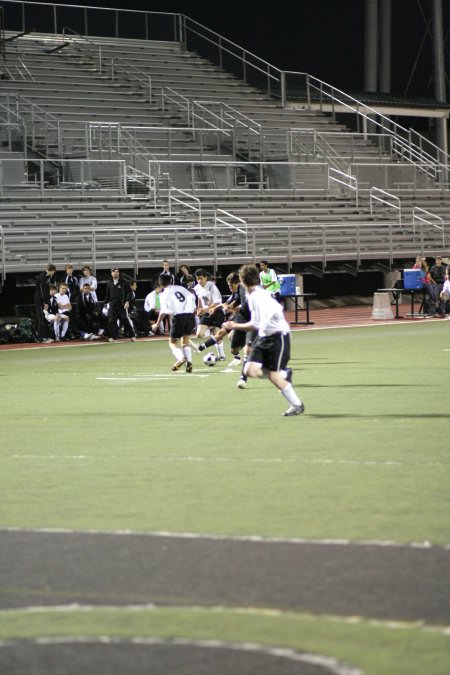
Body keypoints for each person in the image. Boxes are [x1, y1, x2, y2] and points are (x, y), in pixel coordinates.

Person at [223, 264, 305, 417]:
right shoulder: (255, 294)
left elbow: (256, 324)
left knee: (273, 376)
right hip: (265, 335)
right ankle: (283, 374)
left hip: (278, 335)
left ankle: (296, 404)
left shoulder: (258, 296)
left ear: (241, 280)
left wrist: (234, 325)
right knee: (249, 369)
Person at [197, 272, 246, 366]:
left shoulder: (243, 290)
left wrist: (232, 308)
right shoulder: (236, 292)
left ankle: (245, 351)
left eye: (231, 285)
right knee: (224, 334)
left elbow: (245, 306)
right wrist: (216, 308)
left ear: (237, 283)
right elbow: (228, 303)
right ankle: (200, 348)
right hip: (240, 317)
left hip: (248, 319)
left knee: (229, 336)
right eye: (228, 285)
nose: (230, 287)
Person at [151, 273, 197, 373]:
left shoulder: (164, 294)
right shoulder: (180, 288)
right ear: (171, 281)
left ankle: (181, 358)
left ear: (160, 283)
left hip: (179, 316)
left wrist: (157, 324)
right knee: (185, 341)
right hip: (190, 315)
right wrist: (193, 309)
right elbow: (191, 296)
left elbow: (163, 311)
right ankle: (189, 363)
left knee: (172, 342)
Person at [192, 268, 226, 360]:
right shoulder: (197, 288)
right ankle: (211, 334)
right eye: (197, 278)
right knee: (199, 334)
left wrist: (206, 308)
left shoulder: (212, 286)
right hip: (206, 313)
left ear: (206, 277)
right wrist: (199, 309)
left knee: (217, 335)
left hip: (217, 311)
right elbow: (199, 298)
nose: (199, 281)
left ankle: (222, 355)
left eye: (201, 278)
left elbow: (218, 302)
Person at [104, 267, 137, 342]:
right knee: (112, 321)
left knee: (125, 321)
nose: (115, 273)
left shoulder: (124, 282)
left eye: (117, 272)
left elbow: (129, 293)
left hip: (121, 306)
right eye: (113, 271)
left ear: (119, 273)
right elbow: (107, 294)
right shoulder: (109, 283)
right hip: (112, 305)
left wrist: (127, 301)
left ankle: (132, 335)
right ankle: (114, 337)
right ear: (111, 273)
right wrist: (105, 303)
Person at [34, 263, 56, 342]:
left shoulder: (47, 277)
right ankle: (40, 338)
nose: (53, 273)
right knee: (41, 320)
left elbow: (46, 291)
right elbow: (43, 291)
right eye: (53, 271)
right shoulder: (42, 277)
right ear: (51, 271)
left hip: (43, 301)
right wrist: (45, 302)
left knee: (45, 319)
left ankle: (45, 336)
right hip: (40, 301)